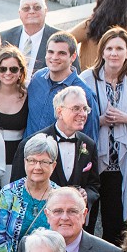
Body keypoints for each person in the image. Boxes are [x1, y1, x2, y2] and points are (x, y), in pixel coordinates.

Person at [80, 27, 127, 240]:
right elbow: (77, 118)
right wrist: (99, 120)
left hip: (121, 163)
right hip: (92, 160)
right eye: (109, 48)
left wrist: (126, 119)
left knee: (116, 221)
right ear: (102, 52)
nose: (114, 53)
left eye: (119, 48)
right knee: (87, 218)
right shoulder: (87, 78)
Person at [0, 134, 58, 252]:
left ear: (53, 165)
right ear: (25, 162)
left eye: (44, 162)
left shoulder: (59, 198)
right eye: (32, 160)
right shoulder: (9, 193)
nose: (37, 167)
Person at [43, 85, 102, 228]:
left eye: (85, 109)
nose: (82, 114)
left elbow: (94, 185)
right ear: (59, 111)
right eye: (76, 108)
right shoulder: (37, 143)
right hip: (45, 222)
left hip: (76, 224)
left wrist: (86, 195)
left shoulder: (89, 145)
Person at [23, 33, 99, 142]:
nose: (54, 57)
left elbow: (89, 138)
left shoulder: (84, 93)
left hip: (61, 156)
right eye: (51, 52)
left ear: (73, 57)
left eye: (61, 53)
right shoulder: (37, 79)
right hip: (29, 154)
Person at [0, 46, 31, 175]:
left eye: (13, 69)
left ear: (20, 71)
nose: (8, 73)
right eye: (3, 69)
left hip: (17, 162)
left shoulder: (29, 96)